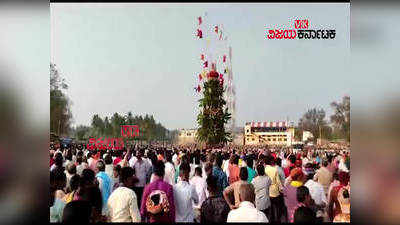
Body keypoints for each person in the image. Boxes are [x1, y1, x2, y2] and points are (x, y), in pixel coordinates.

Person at [265, 155, 283, 223]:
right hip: (275, 191)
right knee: (277, 207)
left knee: (270, 208)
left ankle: (271, 220)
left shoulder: (264, 169)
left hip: (268, 190)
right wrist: (281, 188)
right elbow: (278, 181)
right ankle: (277, 220)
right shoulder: (274, 170)